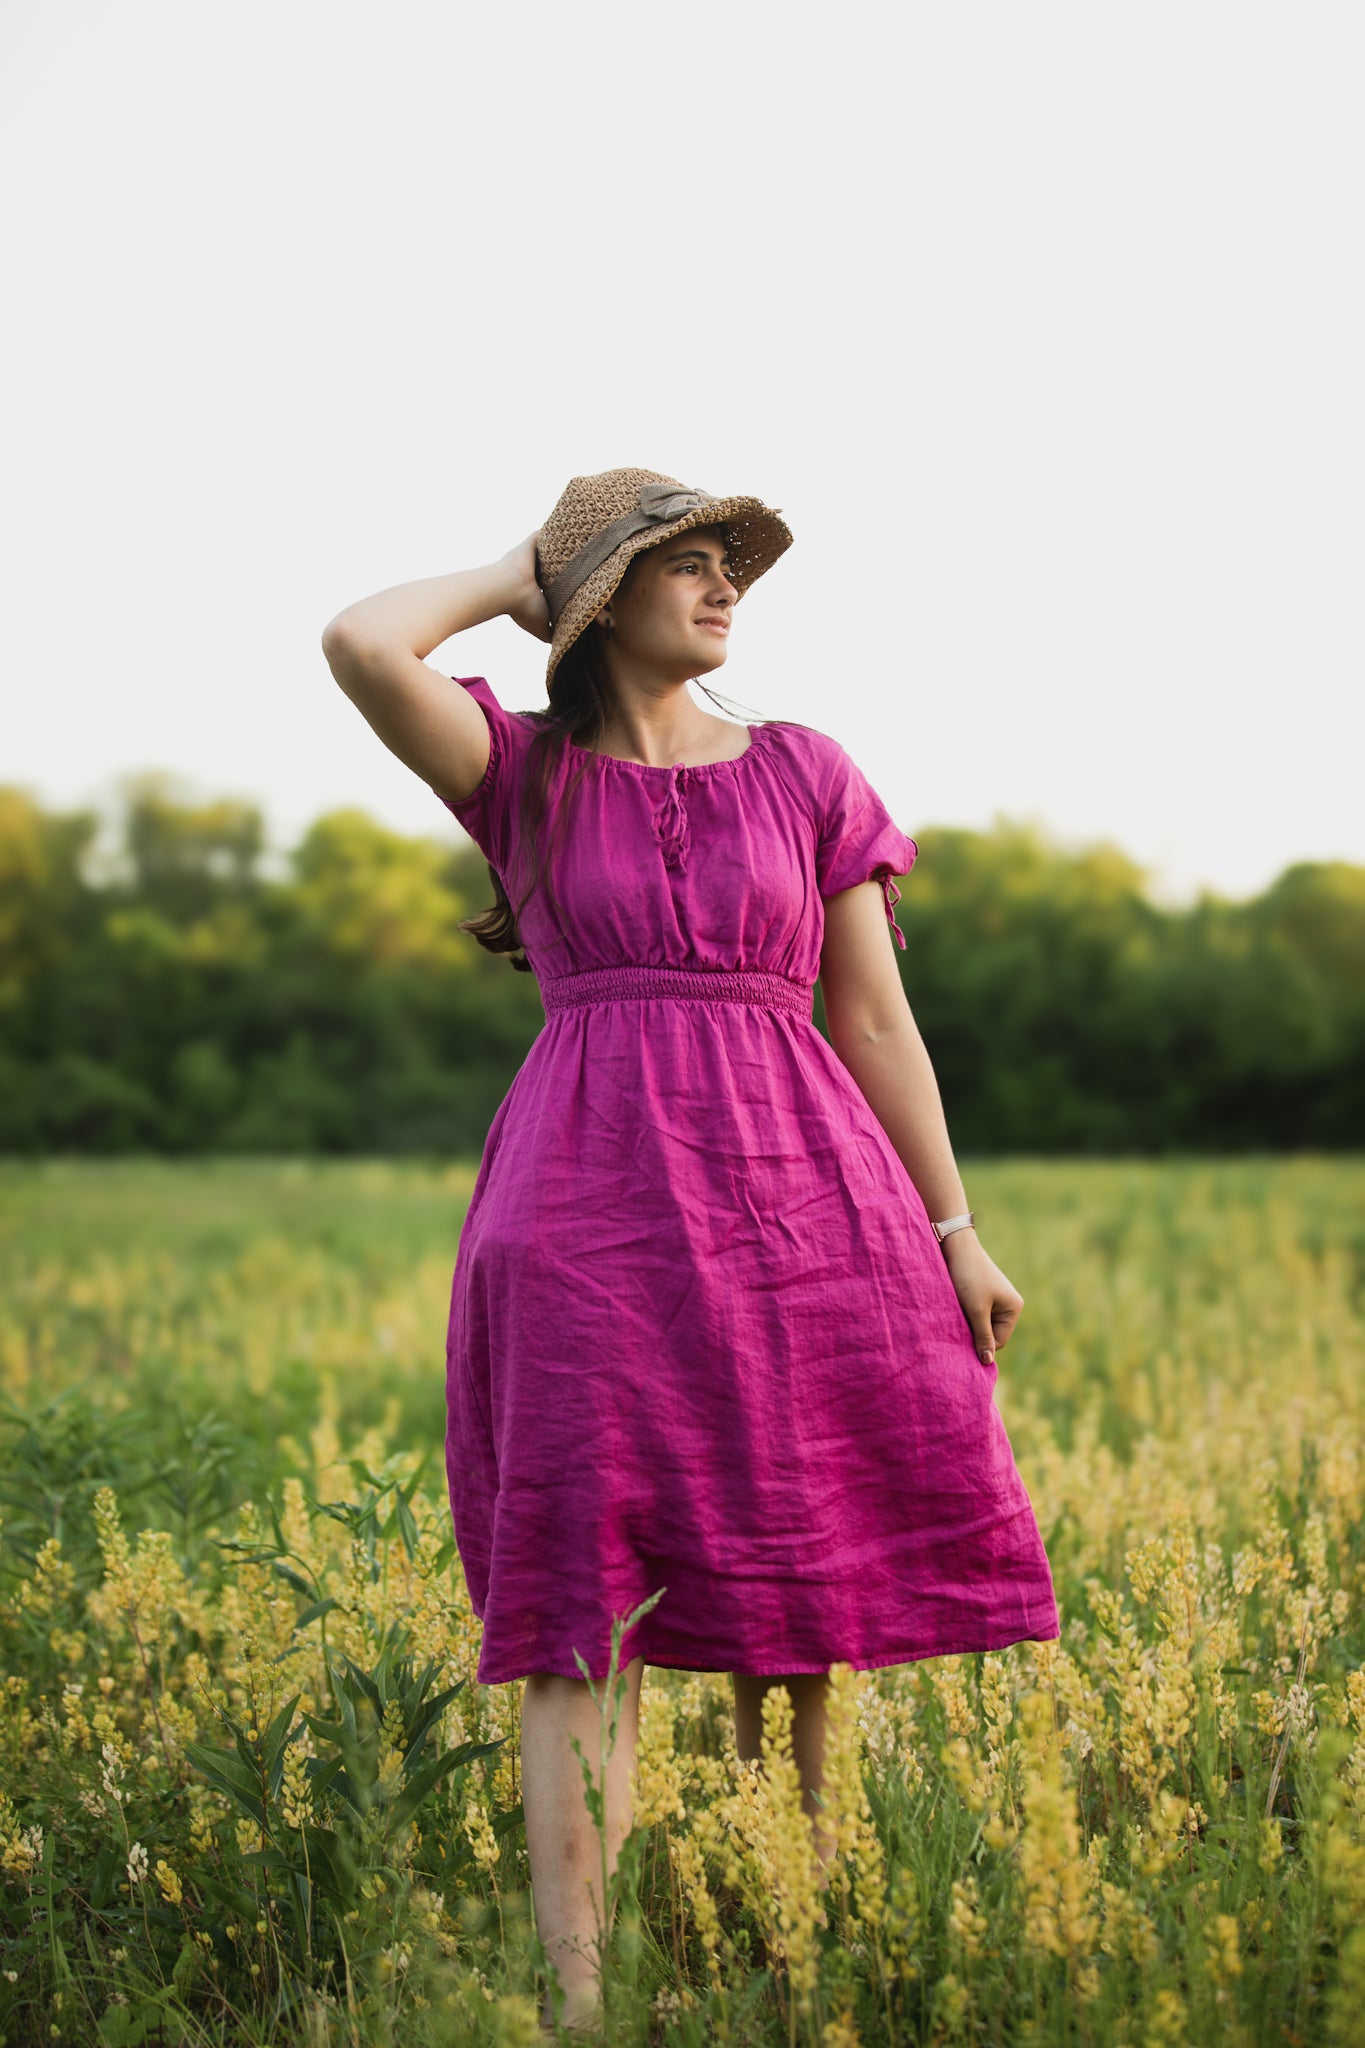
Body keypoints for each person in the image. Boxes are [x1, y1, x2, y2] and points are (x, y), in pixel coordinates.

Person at [321, 466, 1060, 2035]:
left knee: (801, 1571)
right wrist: (532, 569)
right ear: (605, 597)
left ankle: (796, 1941)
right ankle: (580, 1998)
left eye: (737, 566)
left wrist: (957, 1233)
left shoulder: (803, 768)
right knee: (582, 1603)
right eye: (689, 564)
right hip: (580, 1219)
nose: (728, 589)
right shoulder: (521, 773)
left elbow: (872, 1019)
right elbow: (365, 643)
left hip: (805, 1203)